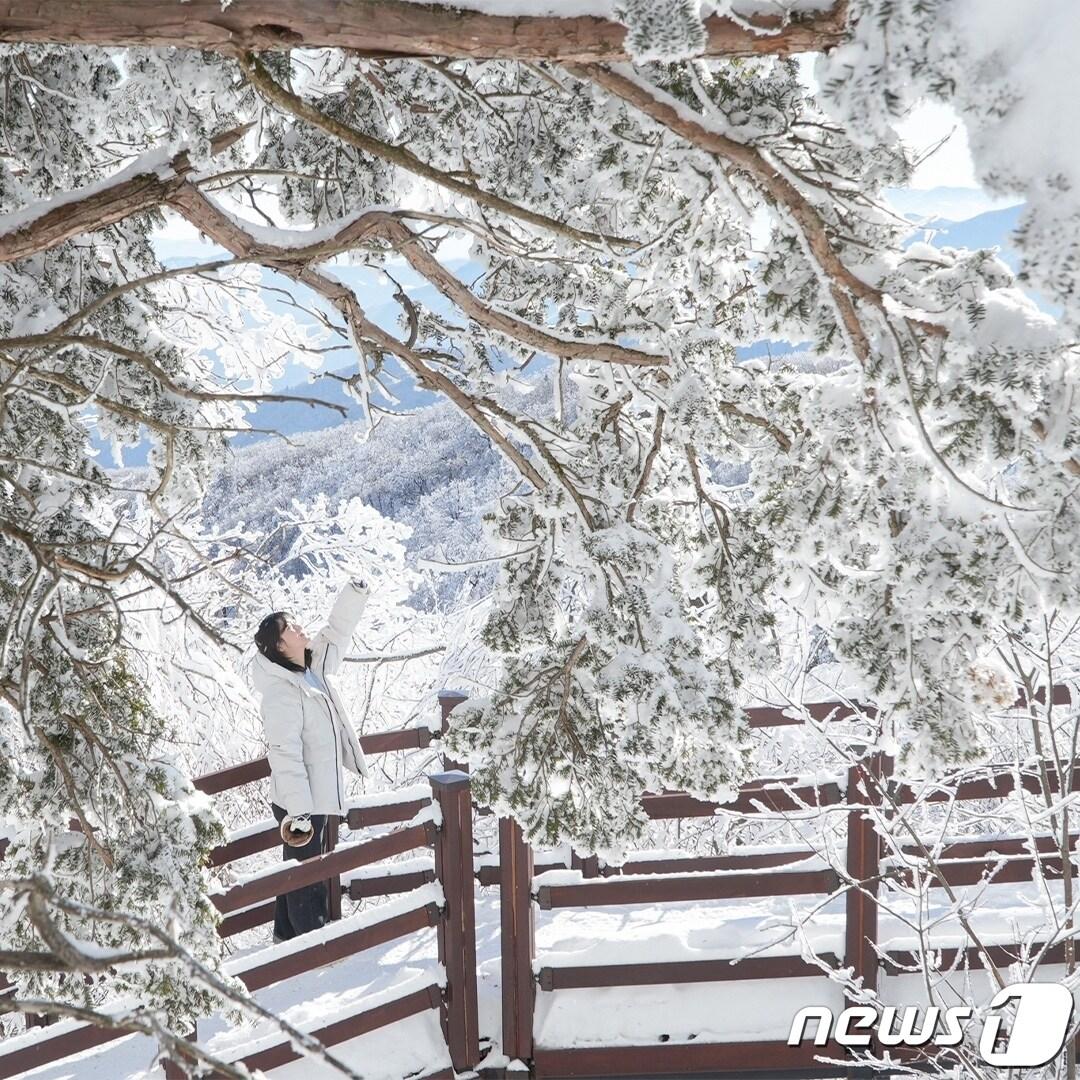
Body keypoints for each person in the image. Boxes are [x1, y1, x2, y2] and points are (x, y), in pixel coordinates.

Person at [251, 578, 372, 942]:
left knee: (299, 870)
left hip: (313, 796)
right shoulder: (281, 692)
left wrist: (355, 593)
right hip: (300, 800)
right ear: (277, 645)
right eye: (289, 628)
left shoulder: (311, 669)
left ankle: (285, 941)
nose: (299, 628)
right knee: (307, 878)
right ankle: (311, 949)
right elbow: (284, 753)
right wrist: (300, 811)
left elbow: (335, 633)